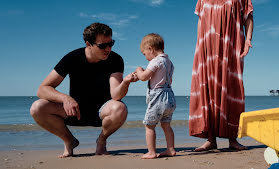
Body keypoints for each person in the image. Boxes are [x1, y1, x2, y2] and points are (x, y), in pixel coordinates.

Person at [30, 22, 138, 158]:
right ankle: (69, 141)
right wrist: (65, 98)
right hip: (75, 112)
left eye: (111, 44)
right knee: (37, 107)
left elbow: (115, 95)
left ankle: (101, 141)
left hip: (101, 112)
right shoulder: (72, 58)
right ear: (88, 44)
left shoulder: (115, 59)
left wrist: (126, 83)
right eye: (102, 45)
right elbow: (42, 89)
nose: (108, 49)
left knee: (119, 108)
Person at [189, 0, 254, 152]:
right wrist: (199, 48)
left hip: (231, 45)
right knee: (207, 89)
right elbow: (201, 21)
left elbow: (248, 16)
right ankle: (211, 139)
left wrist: (248, 40)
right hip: (207, 48)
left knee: (231, 87)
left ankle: (233, 139)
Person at [135, 33, 176, 159]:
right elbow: (169, 81)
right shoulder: (169, 62)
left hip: (158, 98)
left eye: (144, 54)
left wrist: (138, 70)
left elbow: (143, 77)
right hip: (170, 97)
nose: (146, 57)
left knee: (149, 125)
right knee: (166, 125)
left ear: (150, 49)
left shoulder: (155, 61)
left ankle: (151, 152)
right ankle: (170, 149)